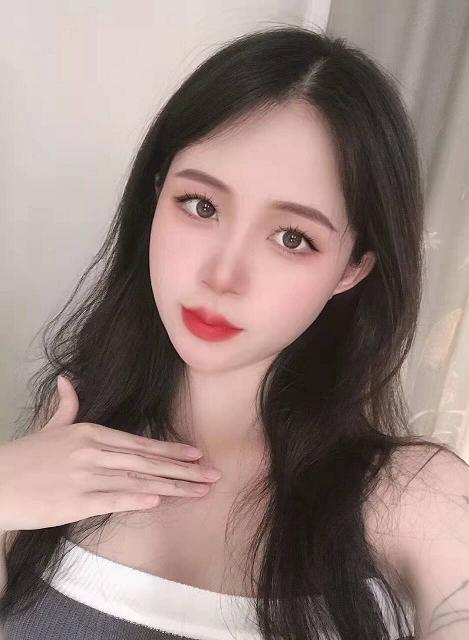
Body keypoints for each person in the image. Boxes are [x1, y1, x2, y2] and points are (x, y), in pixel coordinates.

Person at [1, 24, 468, 640]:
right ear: (156, 194)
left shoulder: (412, 497)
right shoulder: (65, 442)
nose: (223, 276)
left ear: (352, 269)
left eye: (292, 238)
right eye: (201, 205)